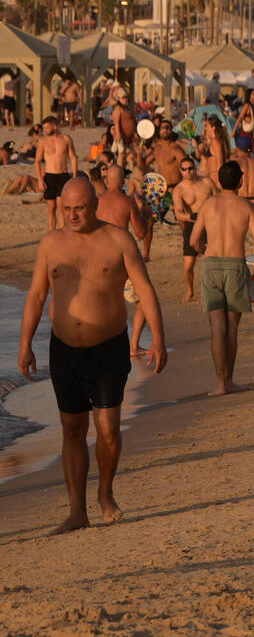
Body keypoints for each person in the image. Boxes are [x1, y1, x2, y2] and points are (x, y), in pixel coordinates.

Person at [19, 177, 166, 533]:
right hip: (64, 349)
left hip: (109, 348)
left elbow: (144, 288)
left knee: (109, 429)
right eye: (66, 208)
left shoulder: (117, 239)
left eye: (79, 208)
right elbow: (37, 296)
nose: (71, 215)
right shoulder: (51, 244)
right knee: (72, 430)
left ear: (94, 205)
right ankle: (76, 512)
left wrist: (158, 338)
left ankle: (105, 493)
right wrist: (25, 344)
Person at [190, 160, 254, 396]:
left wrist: (206, 252)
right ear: (241, 182)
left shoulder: (208, 205)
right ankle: (230, 381)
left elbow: (193, 241)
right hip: (236, 265)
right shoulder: (246, 207)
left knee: (216, 328)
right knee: (232, 329)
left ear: (218, 182)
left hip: (211, 265)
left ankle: (220, 384)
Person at [172, 158, 211, 304]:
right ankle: (190, 291)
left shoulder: (207, 182)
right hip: (192, 225)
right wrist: (192, 216)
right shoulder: (179, 189)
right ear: (180, 171)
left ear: (195, 168)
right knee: (188, 265)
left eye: (190, 168)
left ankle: (207, 293)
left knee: (209, 260)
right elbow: (178, 214)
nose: (188, 172)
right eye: (184, 169)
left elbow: (219, 198)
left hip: (209, 224)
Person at [33, 115, 76, 232]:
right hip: (50, 176)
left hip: (63, 175)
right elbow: (37, 161)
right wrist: (40, 179)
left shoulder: (66, 138)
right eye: (44, 128)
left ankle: (62, 232)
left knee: (61, 208)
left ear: (55, 126)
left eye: (47, 128)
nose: (45, 130)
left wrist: (75, 177)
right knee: (51, 208)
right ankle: (52, 233)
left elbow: (73, 157)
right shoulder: (43, 141)